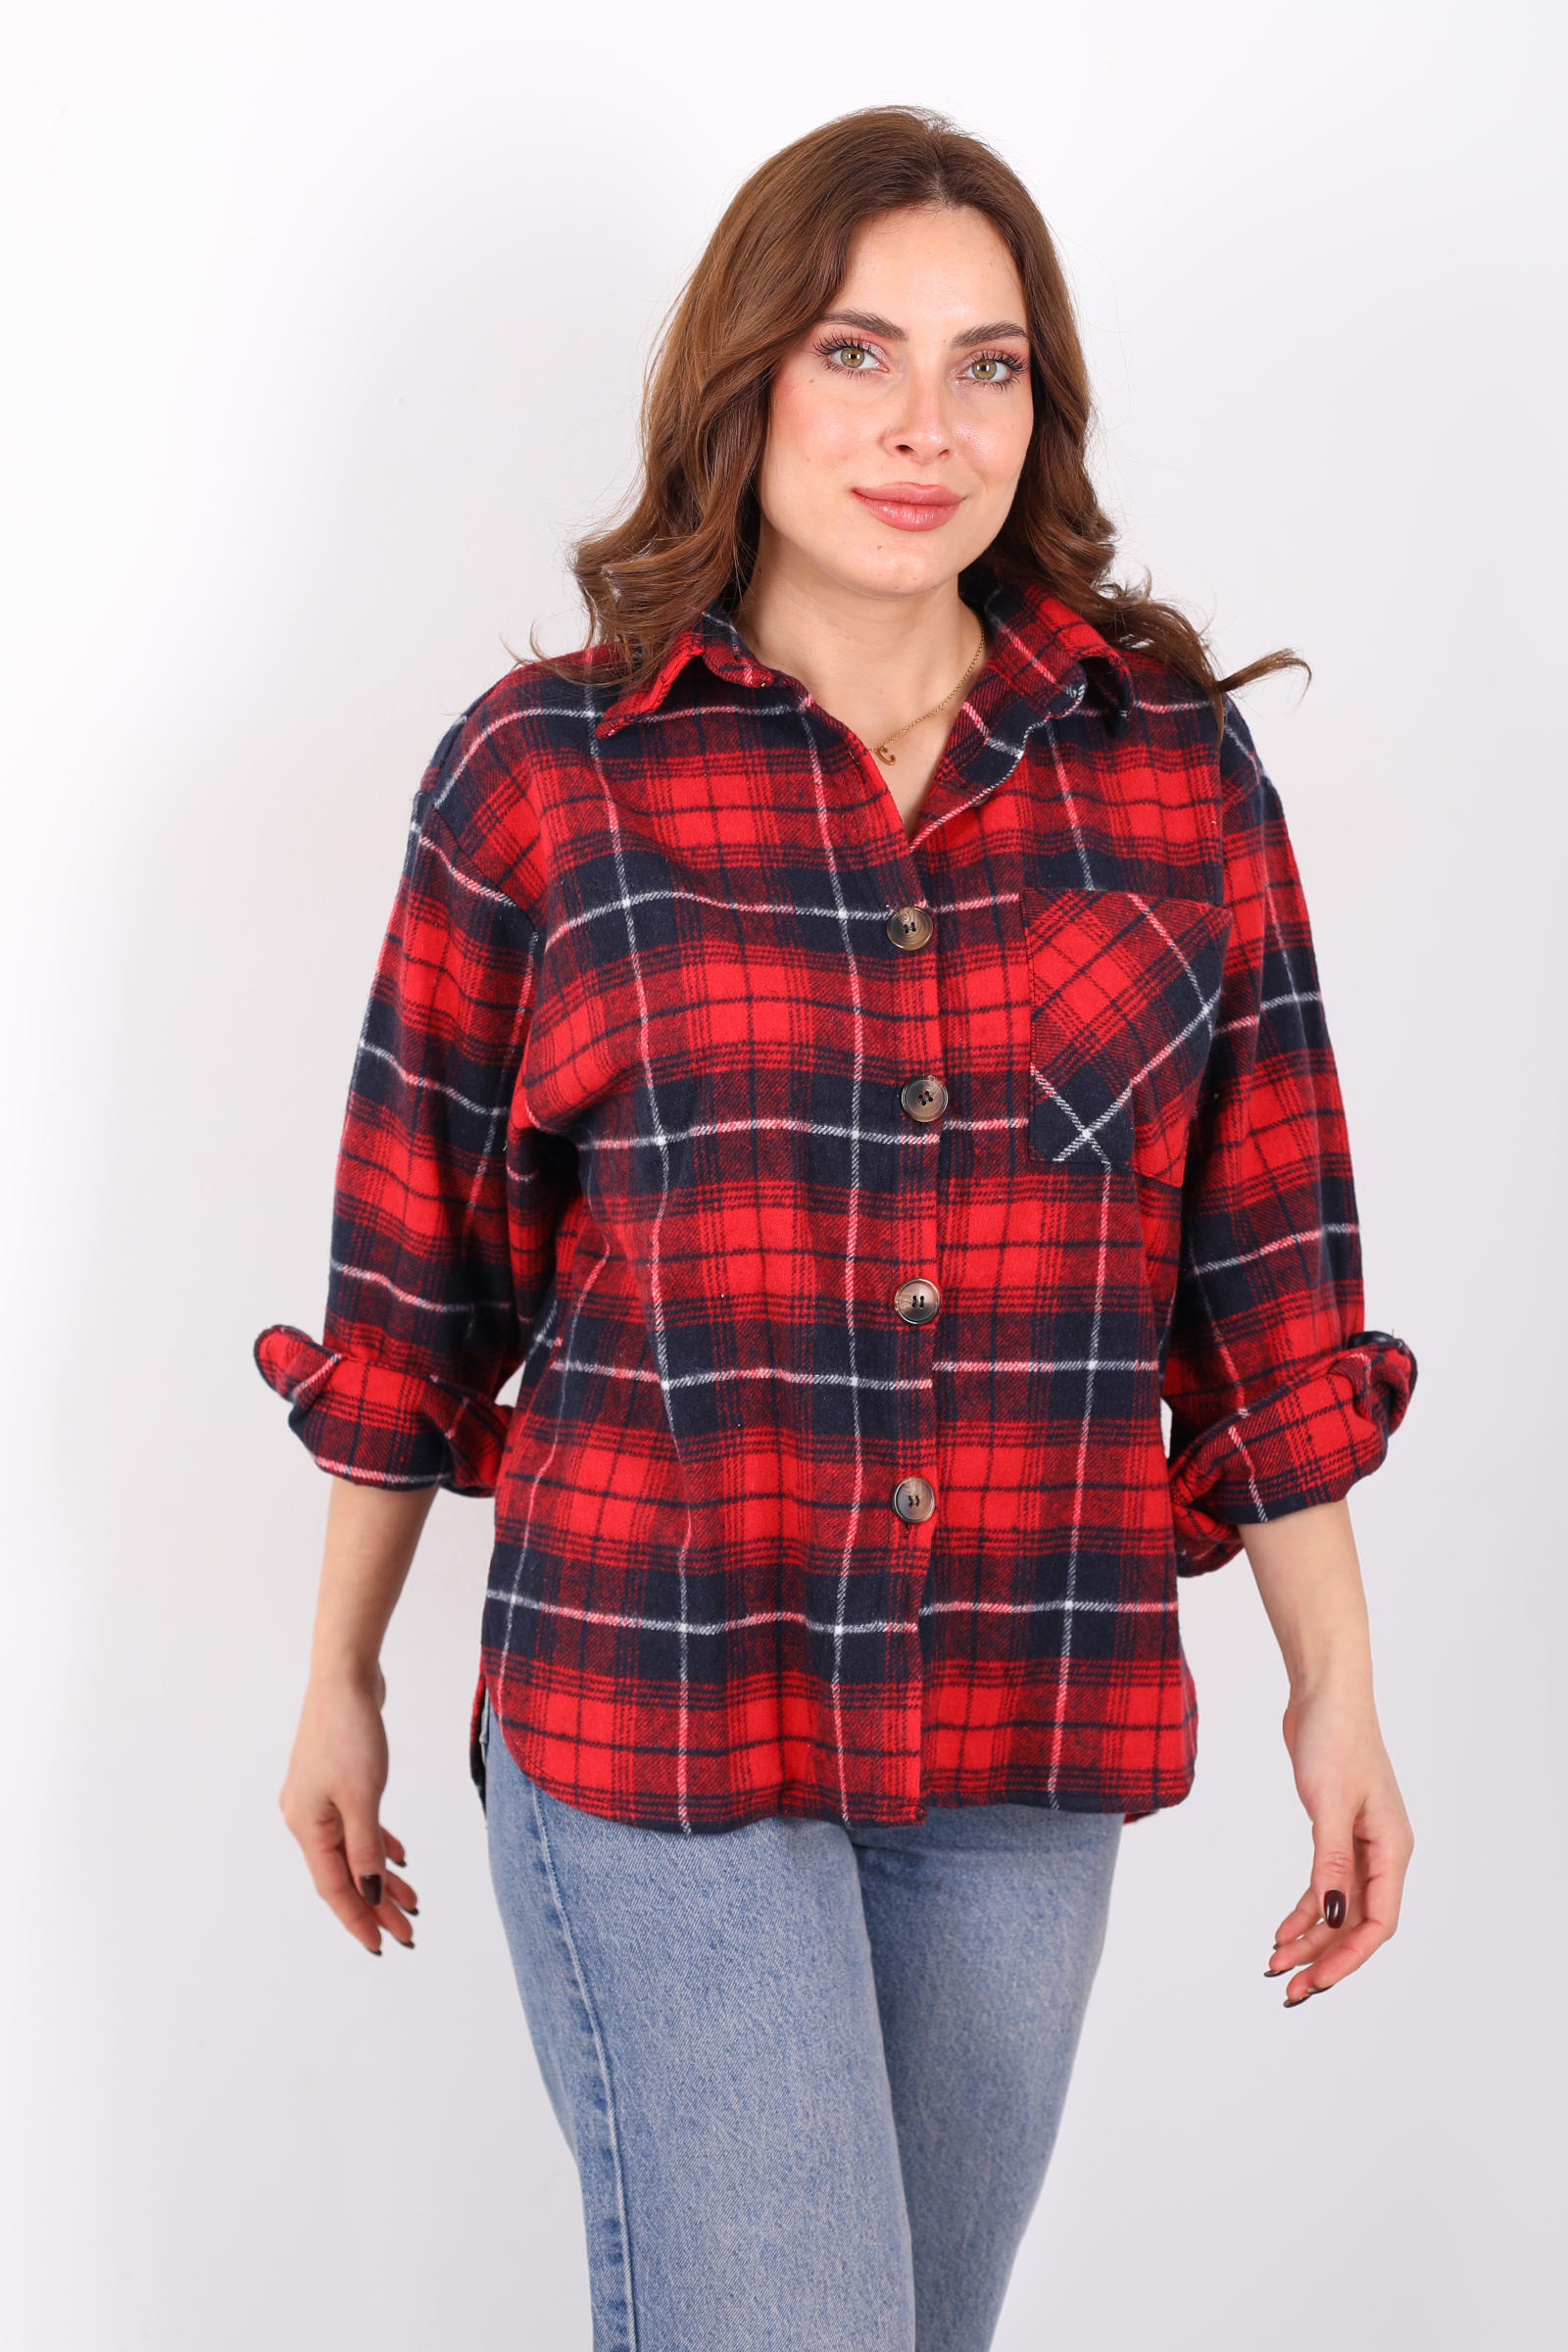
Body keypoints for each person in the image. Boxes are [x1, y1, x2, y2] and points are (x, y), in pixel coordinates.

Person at [256, 105, 1417, 2352]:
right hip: (652, 1705)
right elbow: (414, 1281)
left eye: (986, 368)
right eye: (855, 353)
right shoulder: (546, 774)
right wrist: (338, 1676)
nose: (923, 427)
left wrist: (1335, 1696)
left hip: (1022, 1716)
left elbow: (1268, 1286)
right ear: (746, 377)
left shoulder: (1168, 780)